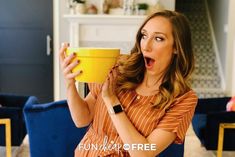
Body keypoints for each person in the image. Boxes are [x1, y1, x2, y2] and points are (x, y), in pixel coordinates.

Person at [59, 10, 198, 157]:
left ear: (177, 47)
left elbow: (143, 153)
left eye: (158, 39)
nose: (145, 46)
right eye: (144, 36)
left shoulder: (184, 99)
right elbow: (82, 119)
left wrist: (112, 100)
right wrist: (69, 84)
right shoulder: (117, 67)